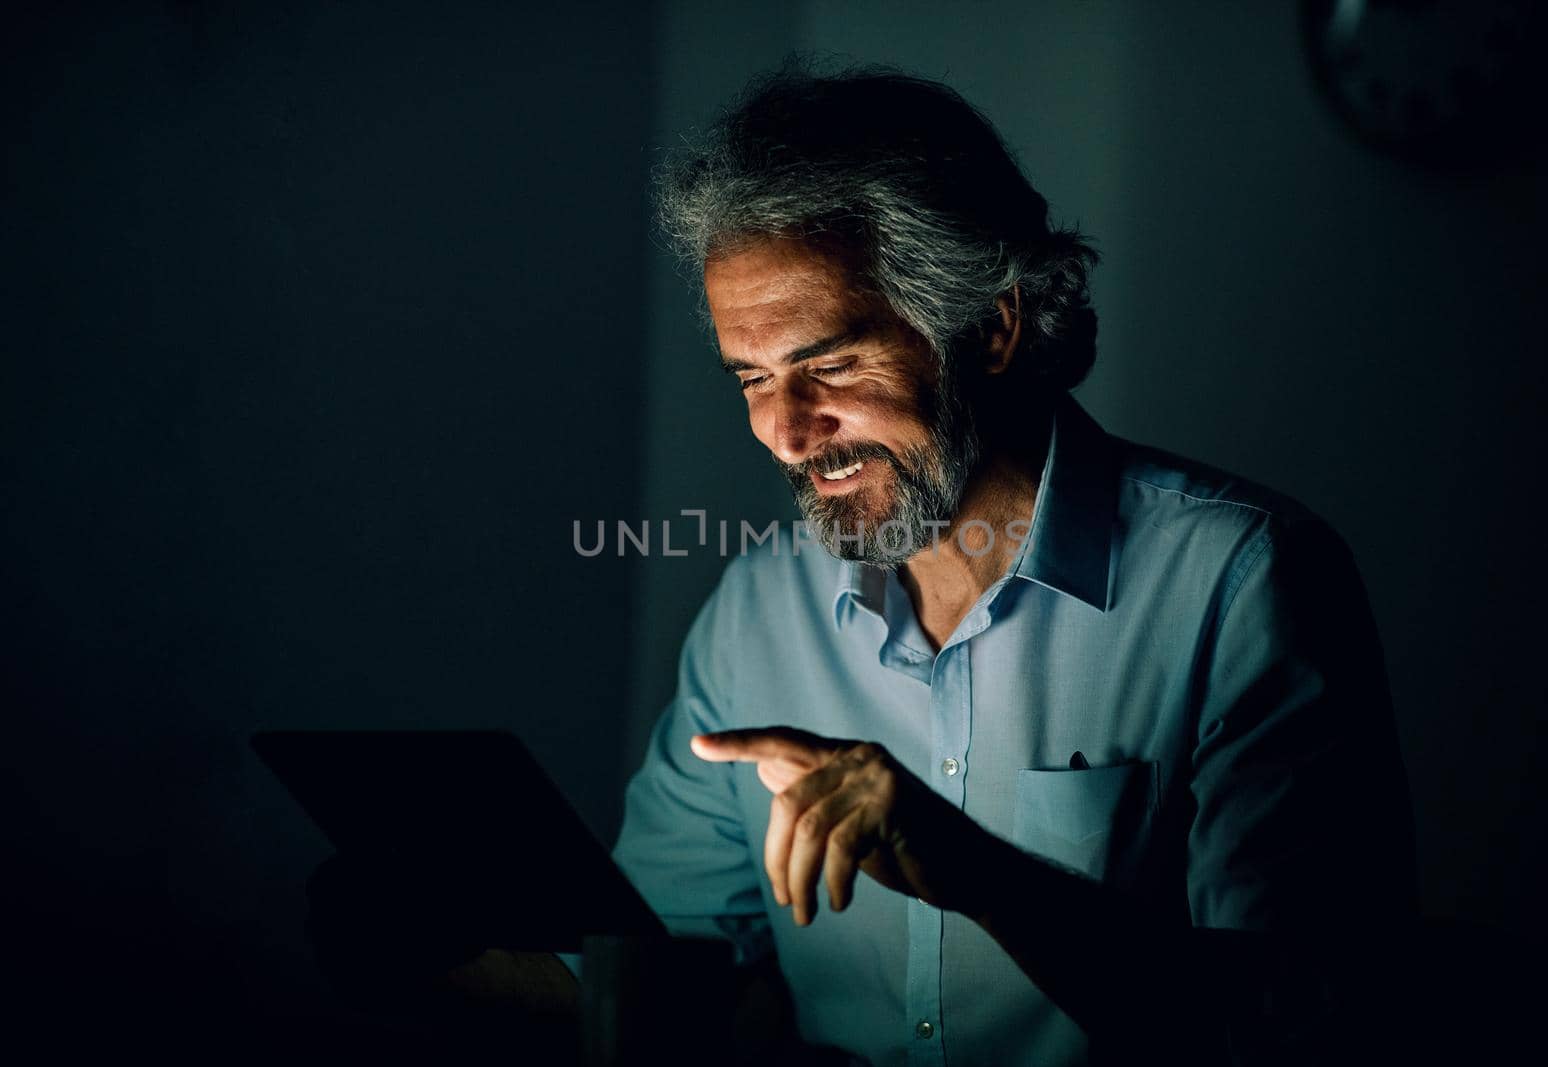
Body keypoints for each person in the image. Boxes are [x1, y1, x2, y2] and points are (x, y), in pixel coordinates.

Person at [311, 65, 1417, 1066]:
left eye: (826, 363)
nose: (785, 433)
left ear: (989, 328)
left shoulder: (1242, 582)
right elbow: (666, 967)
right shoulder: (758, 608)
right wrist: (431, 944)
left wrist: (976, 873)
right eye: (749, 378)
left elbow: (1302, 1025)